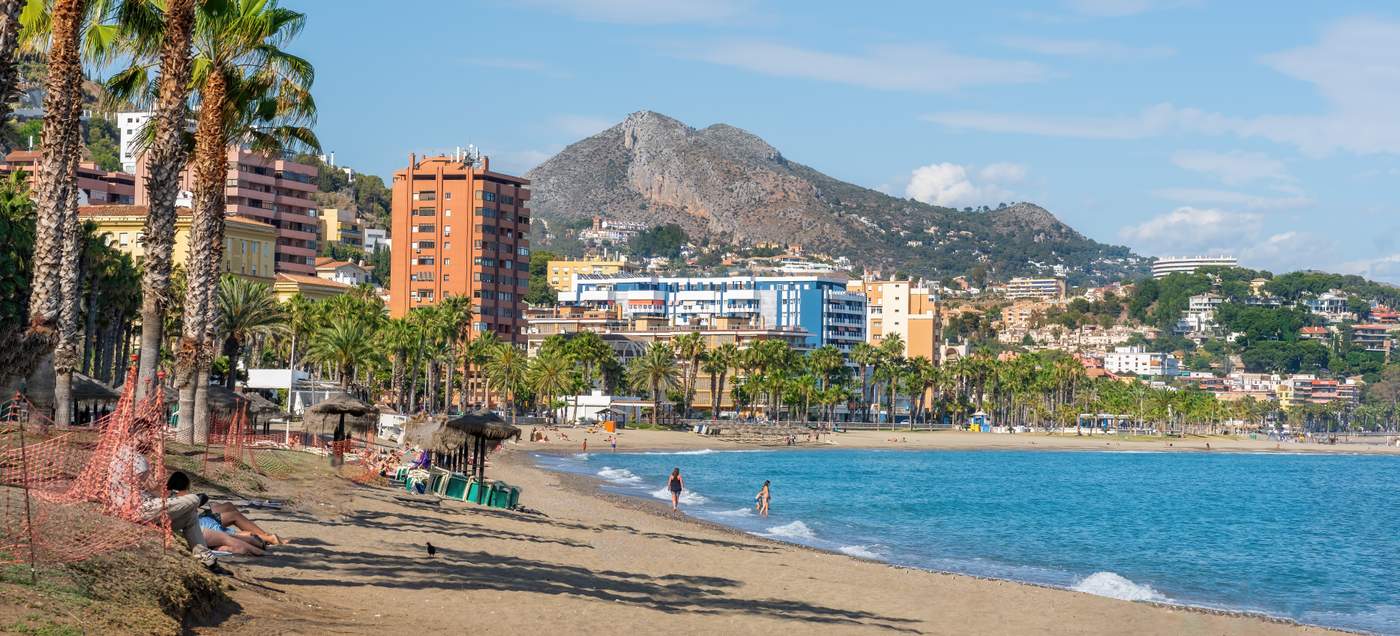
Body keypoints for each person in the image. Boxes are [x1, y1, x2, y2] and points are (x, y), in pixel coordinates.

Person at [111, 439, 225, 573]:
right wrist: (160, 454)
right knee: (194, 499)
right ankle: (195, 503)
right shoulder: (136, 457)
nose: (150, 438)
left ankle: (207, 560)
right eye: (146, 434)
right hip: (141, 509)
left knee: (190, 516)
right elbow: (155, 489)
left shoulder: (119, 453)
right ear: (133, 435)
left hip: (133, 507)